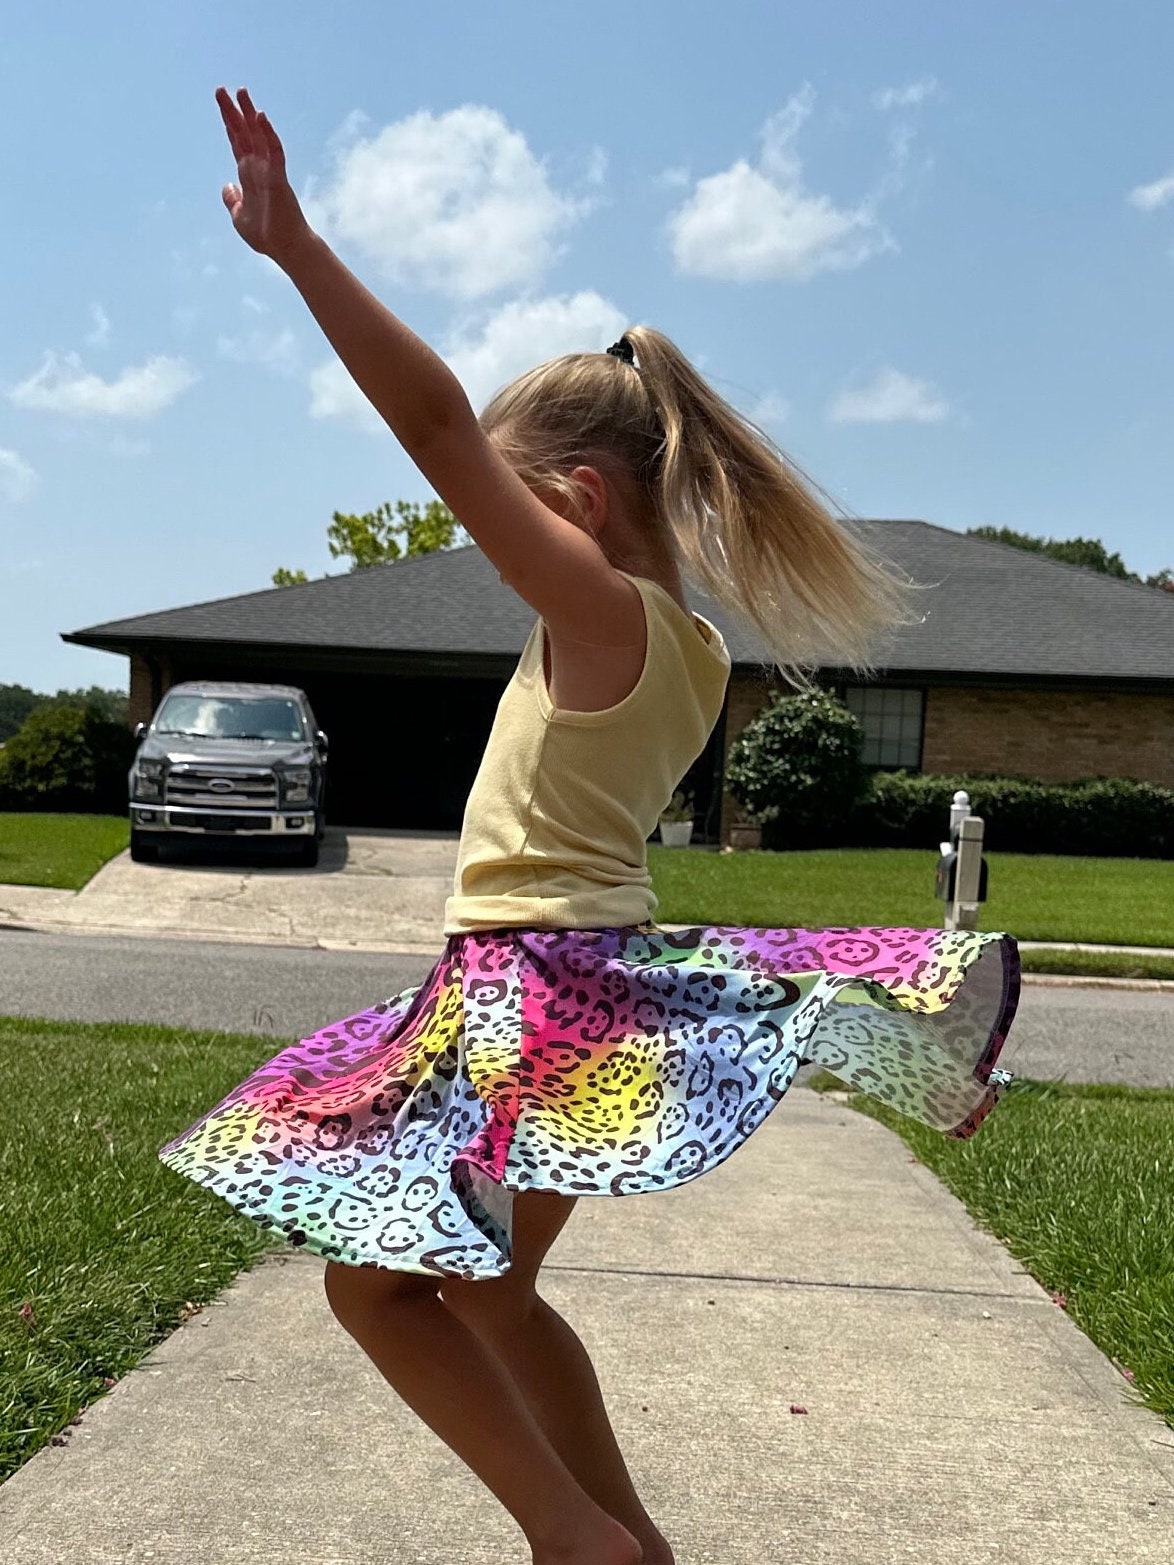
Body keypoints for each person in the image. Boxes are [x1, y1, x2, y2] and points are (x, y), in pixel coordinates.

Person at [160, 88, 1020, 1565]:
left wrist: (300, 252)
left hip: (525, 988)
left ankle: (571, 1535)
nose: (490, 539)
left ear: (572, 499)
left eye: (511, 507)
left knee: (368, 1289)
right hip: (592, 994)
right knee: (489, 1292)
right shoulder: (682, 643)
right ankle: (626, 1540)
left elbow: (433, 423)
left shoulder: (595, 609)